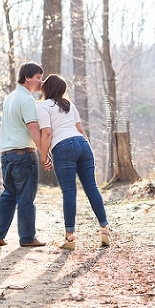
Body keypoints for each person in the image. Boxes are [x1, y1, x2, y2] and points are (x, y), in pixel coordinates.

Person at [37, 74, 109, 250]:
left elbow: (46, 133)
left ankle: (70, 237)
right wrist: (89, 151)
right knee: (92, 188)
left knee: (69, 192)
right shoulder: (70, 105)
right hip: (83, 145)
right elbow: (80, 130)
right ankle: (105, 229)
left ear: (48, 88)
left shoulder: (43, 106)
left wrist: (44, 156)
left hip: (63, 147)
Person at [0, 62, 47, 248]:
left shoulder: (11, 97)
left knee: (9, 194)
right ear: (27, 78)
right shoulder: (27, 100)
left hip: (6, 155)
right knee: (26, 197)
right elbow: (33, 128)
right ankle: (28, 238)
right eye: (38, 77)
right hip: (23, 155)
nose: (41, 81)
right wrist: (44, 153)